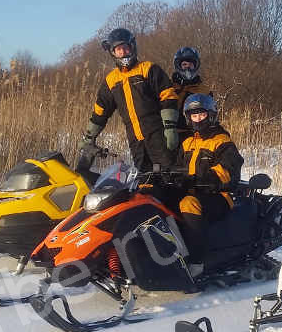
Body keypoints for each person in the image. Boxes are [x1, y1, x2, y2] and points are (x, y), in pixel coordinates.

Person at [78, 28, 179, 172]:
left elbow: (168, 95)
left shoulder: (148, 69)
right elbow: (100, 111)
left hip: (158, 133)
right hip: (135, 139)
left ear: (132, 47)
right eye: (118, 50)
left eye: (125, 48)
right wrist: (89, 137)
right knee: (144, 180)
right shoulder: (111, 80)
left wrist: (170, 127)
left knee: (168, 175)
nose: (123, 52)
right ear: (113, 53)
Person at [175, 93, 243, 277]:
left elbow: (229, 167)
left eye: (202, 115)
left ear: (211, 114)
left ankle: (197, 261)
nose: (198, 119)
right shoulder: (188, 142)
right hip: (192, 191)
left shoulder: (221, 140)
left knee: (189, 203)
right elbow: (177, 166)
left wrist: (204, 178)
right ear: (188, 118)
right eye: (194, 115)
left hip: (219, 195)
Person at [171, 47, 211, 132]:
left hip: (194, 133)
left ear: (195, 66)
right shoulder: (169, 87)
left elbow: (211, 114)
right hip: (172, 132)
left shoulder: (204, 90)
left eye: (191, 65)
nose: (187, 68)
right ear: (179, 66)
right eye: (184, 64)